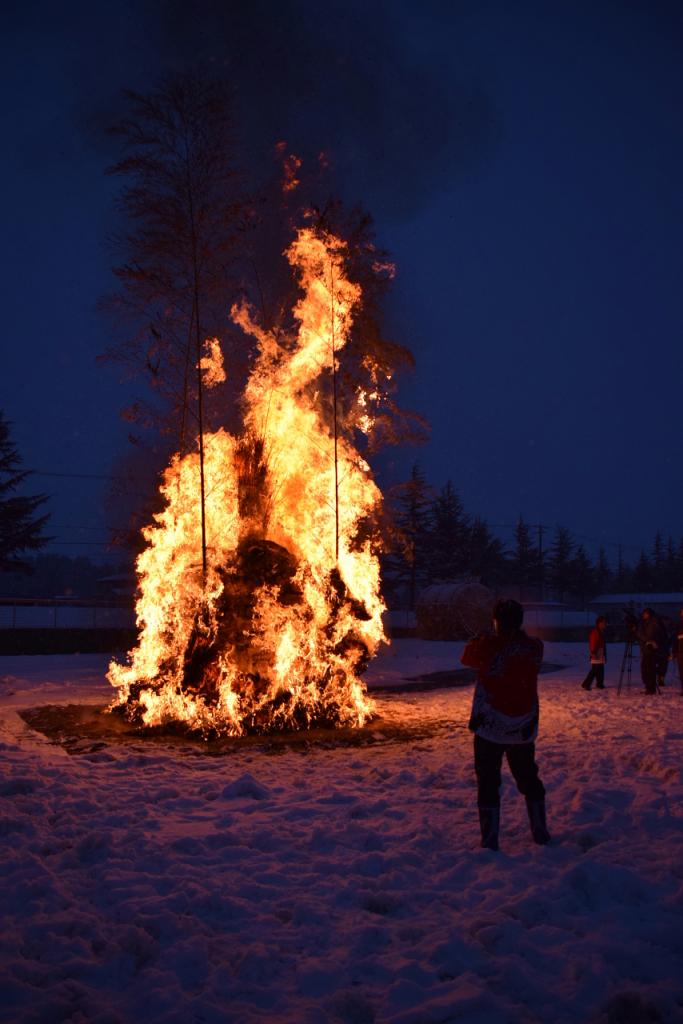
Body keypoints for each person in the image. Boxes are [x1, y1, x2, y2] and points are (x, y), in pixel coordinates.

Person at [461, 597, 550, 851]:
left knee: (488, 781)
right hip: (523, 728)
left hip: (490, 728)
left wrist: (482, 637)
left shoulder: (486, 646)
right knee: (529, 778)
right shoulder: (534, 647)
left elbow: (466, 656)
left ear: (497, 622)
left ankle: (490, 839)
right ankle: (540, 830)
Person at [637, 607, 669, 695]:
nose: (643, 615)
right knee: (645, 669)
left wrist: (649, 641)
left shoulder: (654, 622)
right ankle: (649, 687)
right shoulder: (645, 623)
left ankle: (651, 688)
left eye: (645, 613)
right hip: (646, 650)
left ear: (649, 614)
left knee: (649, 669)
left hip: (651, 650)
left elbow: (652, 635)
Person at [581, 616, 608, 690]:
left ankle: (599, 684)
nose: (605, 624)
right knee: (595, 670)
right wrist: (593, 653)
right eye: (604, 622)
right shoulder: (595, 632)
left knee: (599, 669)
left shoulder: (600, 631)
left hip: (599, 652)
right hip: (596, 652)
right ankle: (586, 684)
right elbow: (593, 642)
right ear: (599, 623)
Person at [672, 608, 683, 696]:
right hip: (680, 650)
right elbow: (675, 638)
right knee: (681, 671)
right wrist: (674, 651)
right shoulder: (679, 624)